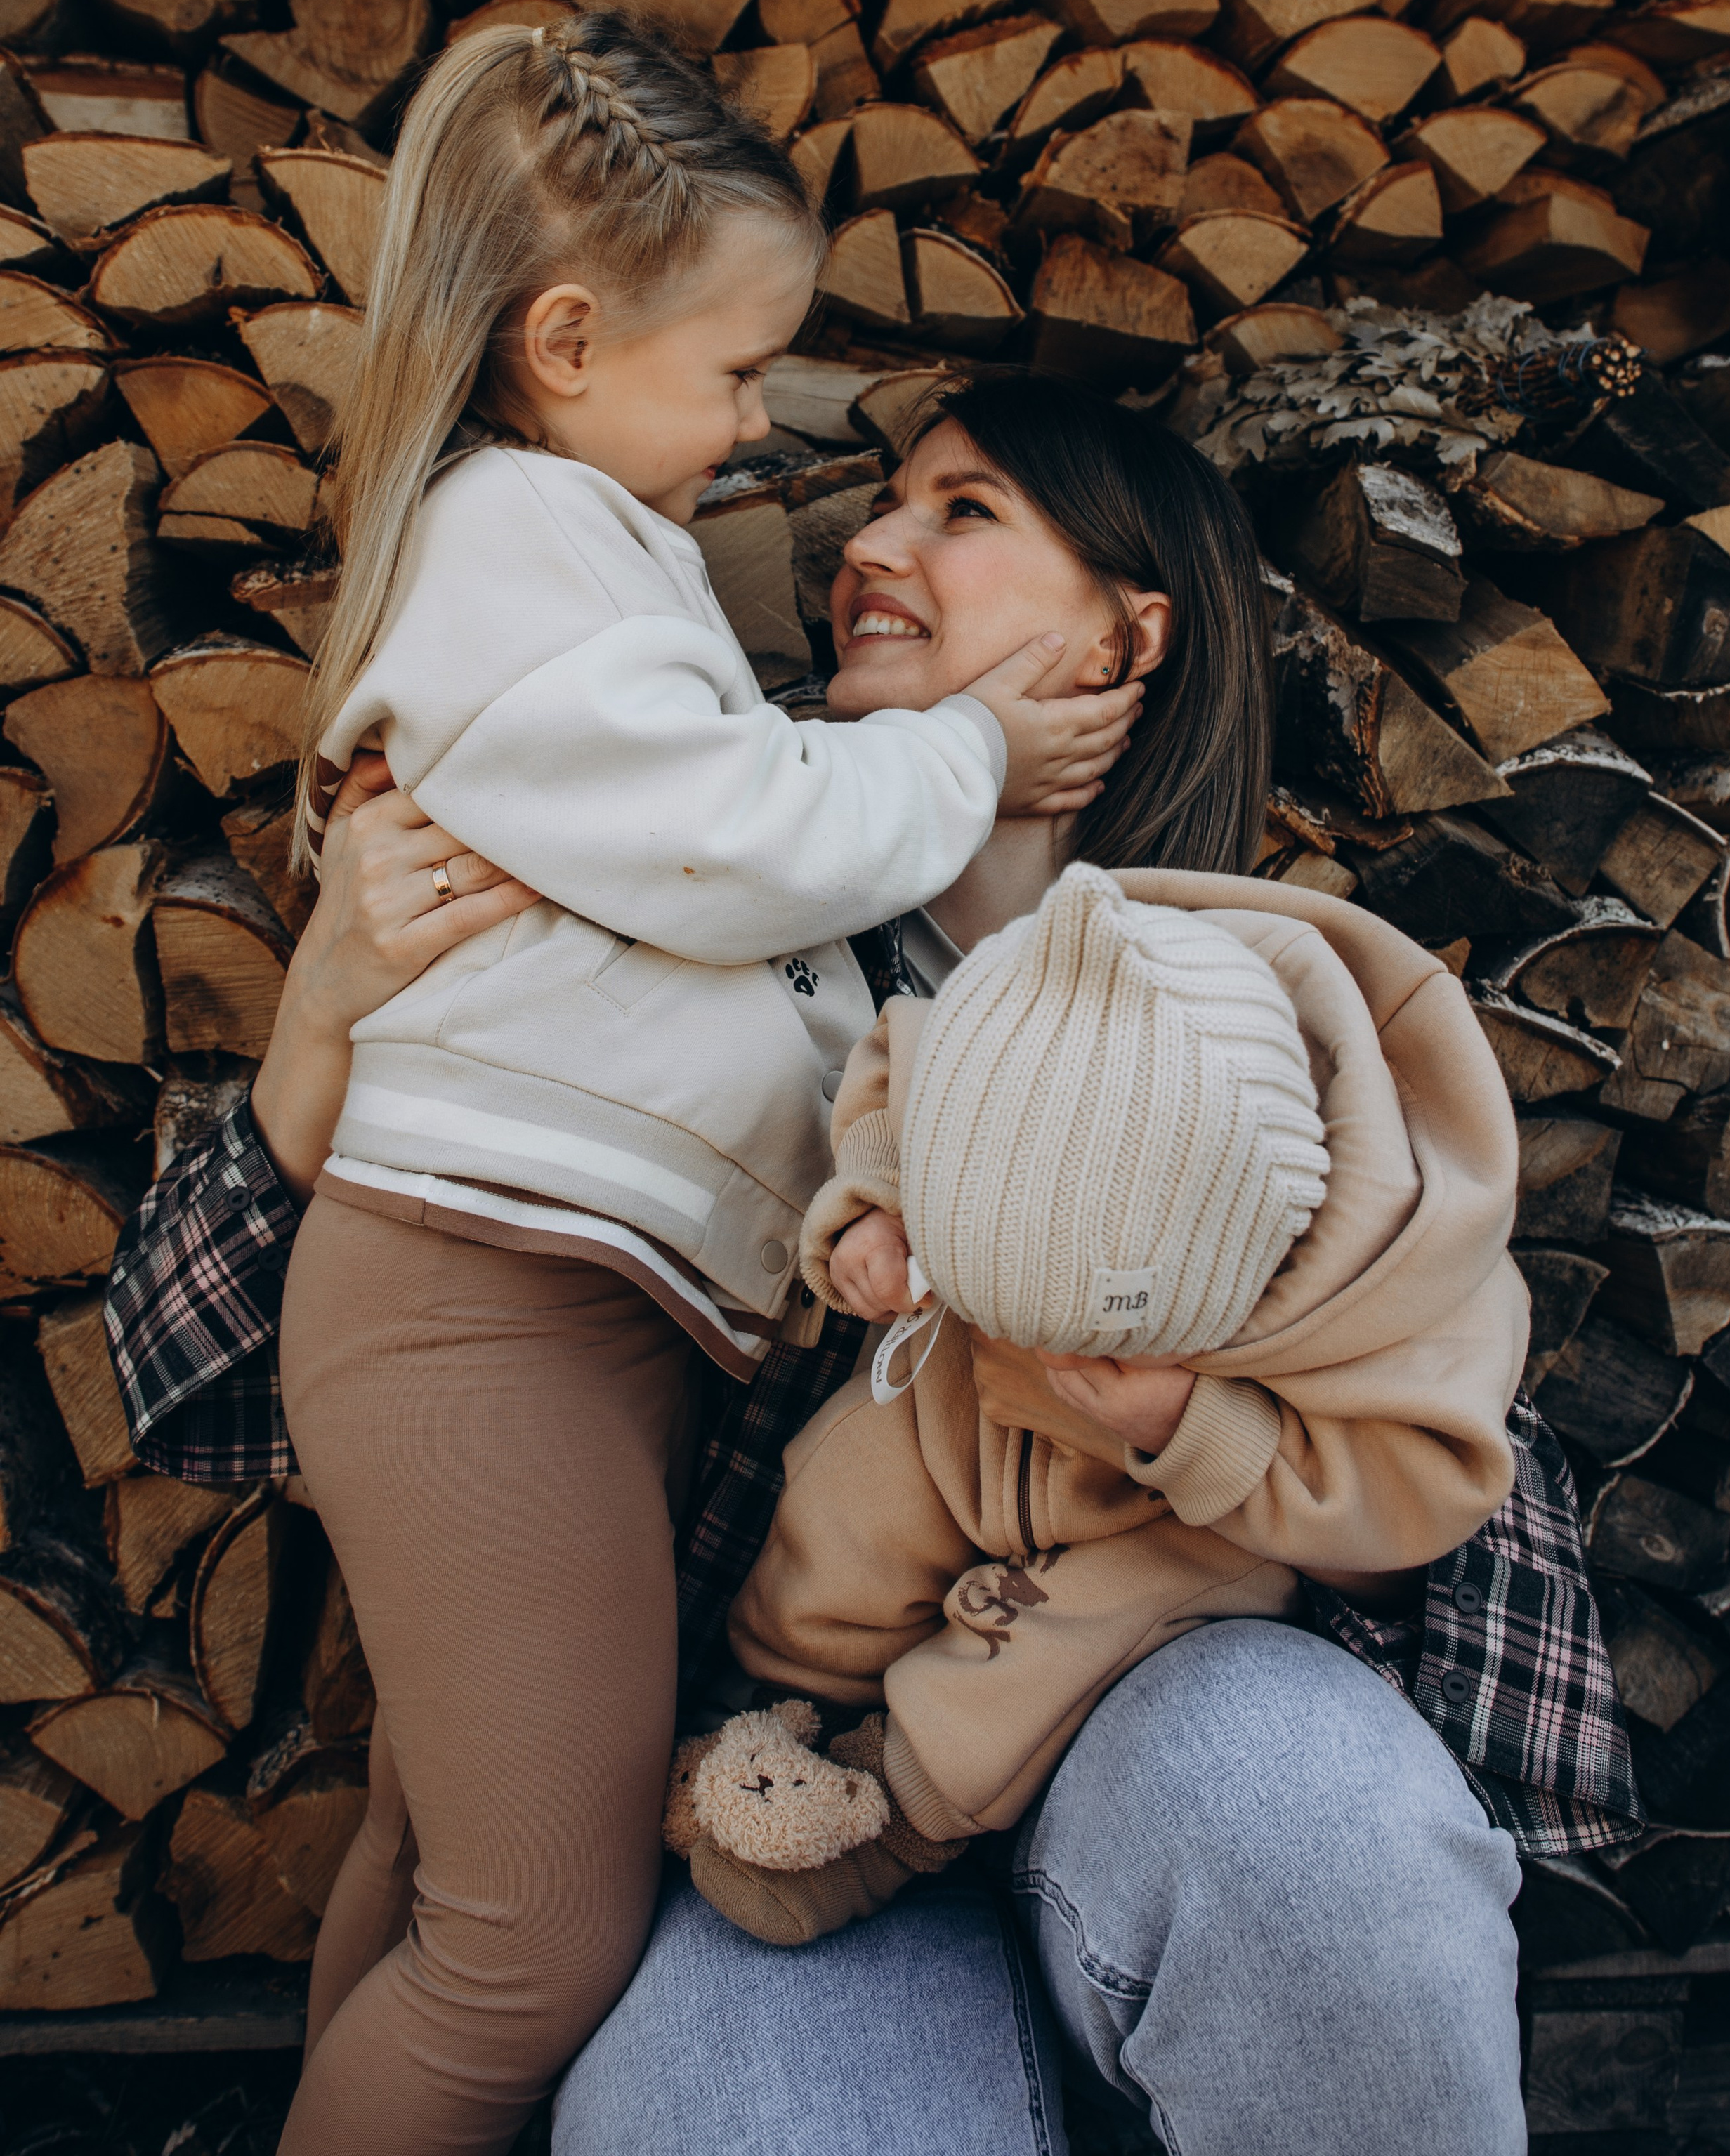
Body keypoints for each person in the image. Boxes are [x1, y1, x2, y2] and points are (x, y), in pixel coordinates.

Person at [108, 373, 1638, 2156]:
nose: (870, 548)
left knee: (1311, 1832)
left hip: (1147, 1723)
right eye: (882, 503)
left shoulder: (1264, 994)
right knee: (744, 2122)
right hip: (766, 1794)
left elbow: (1459, 1500)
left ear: (1127, 630)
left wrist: (1185, 1430)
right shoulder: (652, 892)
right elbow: (192, 1384)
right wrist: (317, 1034)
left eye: (964, 510)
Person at [247, 11, 1146, 2156]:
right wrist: (969, 759)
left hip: (554, 1326)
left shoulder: (584, 559)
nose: (761, 431)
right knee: (529, 1950)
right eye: (739, 372)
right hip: (486, 1313)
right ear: (564, 336)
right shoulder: (527, 543)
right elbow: (740, 840)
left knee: (436, 1863)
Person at [677, 853, 1526, 1950]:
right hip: (962, 1400)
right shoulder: (1017, 1022)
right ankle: (757, 1716)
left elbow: (1423, 1488)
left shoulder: (1396, 1285)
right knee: (847, 1498)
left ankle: (891, 1811)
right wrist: (878, 1215)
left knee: (1064, 1637)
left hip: (1173, 1513)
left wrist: (1192, 1429)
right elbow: (902, 1061)